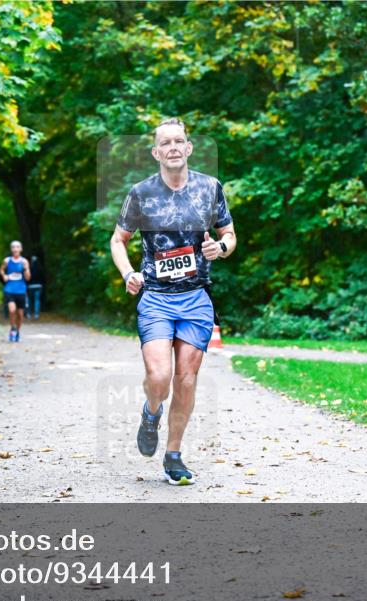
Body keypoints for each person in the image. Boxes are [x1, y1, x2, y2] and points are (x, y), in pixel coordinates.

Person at [109, 118, 237, 485]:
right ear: (156, 153)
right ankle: (151, 412)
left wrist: (221, 248)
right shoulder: (141, 193)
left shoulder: (209, 188)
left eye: (179, 141)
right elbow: (118, 240)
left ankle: (174, 455)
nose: (173, 147)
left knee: (185, 378)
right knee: (160, 376)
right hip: (156, 298)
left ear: (189, 147)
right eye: (165, 143)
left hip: (196, 297)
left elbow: (228, 234)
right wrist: (128, 273)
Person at [0, 241, 31, 342]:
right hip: (9, 289)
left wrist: (26, 269)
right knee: (12, 310)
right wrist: (4, 275)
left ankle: (18, 331)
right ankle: (12, 328)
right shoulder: (7, 261)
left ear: (21, 249)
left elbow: (28, 278)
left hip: (21, 290)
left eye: (17, 247)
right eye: (13, 247)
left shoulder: (24, 261)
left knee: (20, 314)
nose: (15, 249)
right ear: (11, 249)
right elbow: (1, 270)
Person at [27, 254, 45, 319]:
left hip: (30, 286)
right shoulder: (40, 269)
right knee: (37, 300)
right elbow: (43, 278)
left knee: (29, 300)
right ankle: (36, 314)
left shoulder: (29, 269)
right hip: (38, 286)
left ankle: (29, 313)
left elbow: (27, 278)